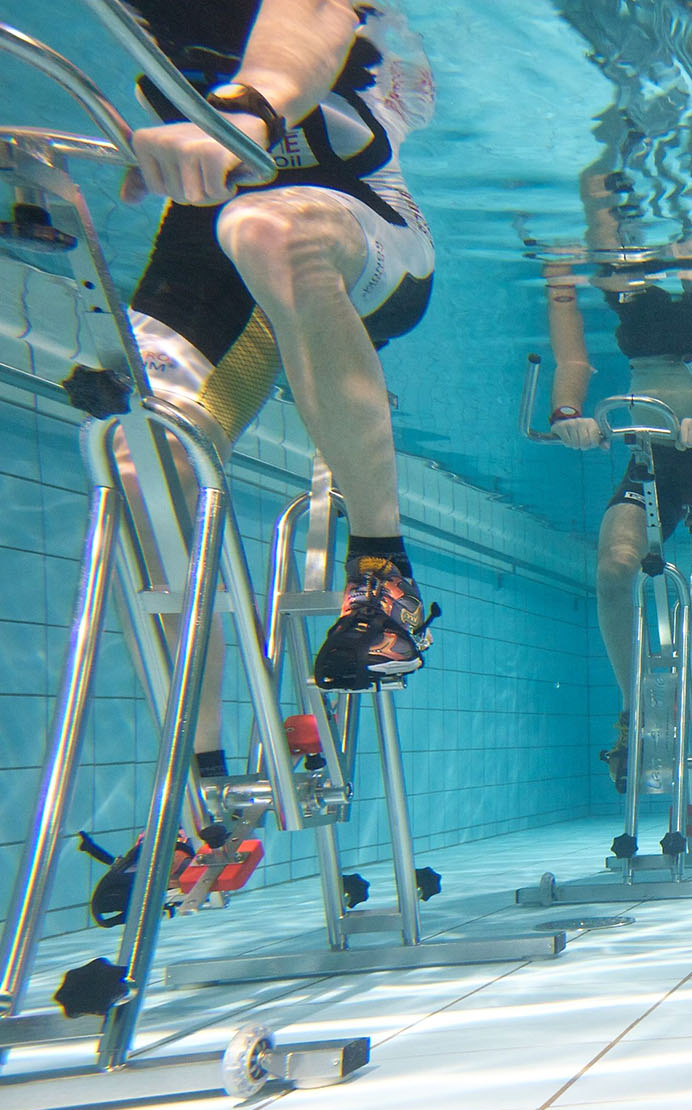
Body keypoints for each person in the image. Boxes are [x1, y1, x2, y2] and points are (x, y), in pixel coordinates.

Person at [62, 0, 438, 786]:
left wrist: (249, 109)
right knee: (142, 461)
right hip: (203, 234)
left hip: (355, 215)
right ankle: (204, 789)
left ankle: (384, 576)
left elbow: (317, 13)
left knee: (267, 229)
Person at [545, 235, 692, 786]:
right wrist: (567, 413)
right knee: (613, 566)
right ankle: (633, 710)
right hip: (650, 459)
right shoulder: (619, 276)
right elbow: (572, 359)